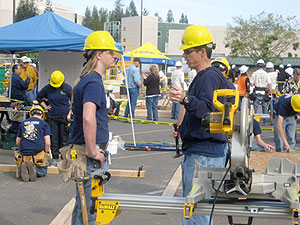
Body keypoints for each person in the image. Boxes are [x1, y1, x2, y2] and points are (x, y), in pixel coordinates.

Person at [169, 25, 234, 225]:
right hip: (203, 152)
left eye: (188, 51)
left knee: (196, 212)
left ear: (202, 52)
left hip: (203, 154)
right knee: (197, 211)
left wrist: (186, 100)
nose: (184, 55)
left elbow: (209, 113)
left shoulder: (209, 77)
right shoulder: (205, 77)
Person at [69, 31, 118, 225]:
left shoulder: (86, 78)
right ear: (99, 54)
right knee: (90, 208)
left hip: (85, 149)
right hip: (91, 154)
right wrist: (92, 151)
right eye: (110, 52)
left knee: (82, 205)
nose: (114, 56)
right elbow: (88, 118)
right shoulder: (93, 81)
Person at [37, 70, 72, 166]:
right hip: (52, 117)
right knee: (54, 139)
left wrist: (69, 113)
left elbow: (74, 101)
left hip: (64, 117)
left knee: (64, 139)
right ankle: (55, 158)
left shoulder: (67, 88)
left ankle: (64, 158)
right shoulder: (47, 88)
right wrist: (45, 107)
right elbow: (39, 97)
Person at [15, 105, 51, 182]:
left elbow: (17, 142)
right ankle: (36, 171)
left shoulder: (23, 123)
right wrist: (45, 151)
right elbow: (47, 142)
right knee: (44, 168)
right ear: (41, 115)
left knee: (23, 160)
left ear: (30, 114)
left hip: (24, 153)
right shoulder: (44, 124)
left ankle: (24, 169)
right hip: (37, 152)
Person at [250, 59, 272, 125]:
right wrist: (270, 93)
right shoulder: (266, 74)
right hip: (264, 92)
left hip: (256, 92)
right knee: (264, 107)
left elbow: (251, 84)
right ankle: (265, 122)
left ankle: (254, 121)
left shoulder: (254, 73)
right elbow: (269, 84)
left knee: (255, 107)